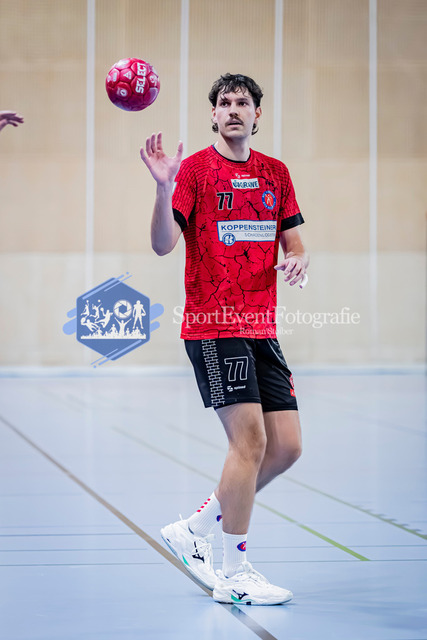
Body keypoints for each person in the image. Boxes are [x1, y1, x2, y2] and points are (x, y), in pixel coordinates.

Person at [140, 73, 308, 605]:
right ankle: (233, 574)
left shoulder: (275, 173)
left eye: (243, 102)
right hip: (214, 326)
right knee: (250, 442)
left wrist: (298, 259)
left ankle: (194, 529)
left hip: (262, 327)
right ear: (213, 114)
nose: (234, 109)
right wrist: (163, 187)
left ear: (258, 114)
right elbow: (163, 244)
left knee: (286, 448)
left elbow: (294, 242)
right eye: (224, 102)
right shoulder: (194, 171)